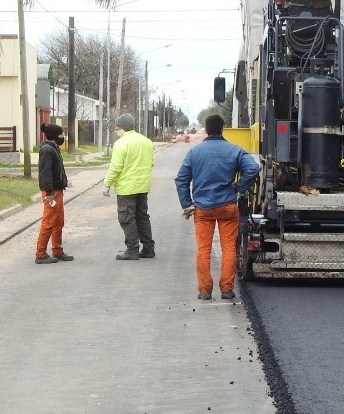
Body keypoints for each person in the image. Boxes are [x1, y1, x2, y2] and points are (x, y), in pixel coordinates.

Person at [175, 113, 261, 302]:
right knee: (229, 247)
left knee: (203, 249)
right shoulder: (234, 150)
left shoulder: (195, 152)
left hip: (203, 209)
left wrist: (187, 204)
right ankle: (227, 290)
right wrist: (239, 187)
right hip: (227, 206)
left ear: (206, 129)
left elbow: (181, 179)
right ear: (222, 129)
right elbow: (254, 168)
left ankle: (205, 291)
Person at [102, 113, 155, 261]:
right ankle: (148, 248)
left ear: (122, 127)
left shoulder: (121, 143)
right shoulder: (147, 141)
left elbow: (115, 167)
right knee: (142, 217)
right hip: (143, 186)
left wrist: (107, 184)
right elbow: (151, 162)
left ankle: (132, 250)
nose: (115, 129)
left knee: (127, 218)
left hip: (126, 187)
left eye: (117, 127)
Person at [35, 122, 72, 264]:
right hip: (51, 192)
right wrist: (49, 192)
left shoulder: (53, 148)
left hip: (57, 190)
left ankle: (57, 250)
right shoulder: (47, 150)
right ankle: (41, 254)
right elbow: (46, 173)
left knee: (58, 222)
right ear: (56, 136)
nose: (63, 136)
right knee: (48, 221)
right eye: (61, 134)